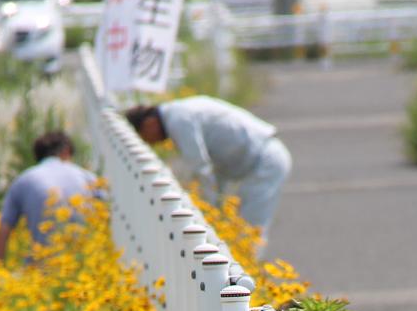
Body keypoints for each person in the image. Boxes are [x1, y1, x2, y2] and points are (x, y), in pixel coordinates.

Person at [125, 97, 293, 247]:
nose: (150, 143)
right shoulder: (178, 113)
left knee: (249, 230)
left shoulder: (179, 119)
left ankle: (248, 277)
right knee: (241, 230)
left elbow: (201, 169)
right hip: (257, 159)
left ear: (149, 124)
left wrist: (209, 215)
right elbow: (212, 172)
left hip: (266, 160)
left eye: (144, 137)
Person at [0, 131, 100, 262]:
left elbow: (3, 231)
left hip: (41, 270)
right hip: (86, 267)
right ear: (66, 152)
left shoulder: (23, 180)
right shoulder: (88, 177)